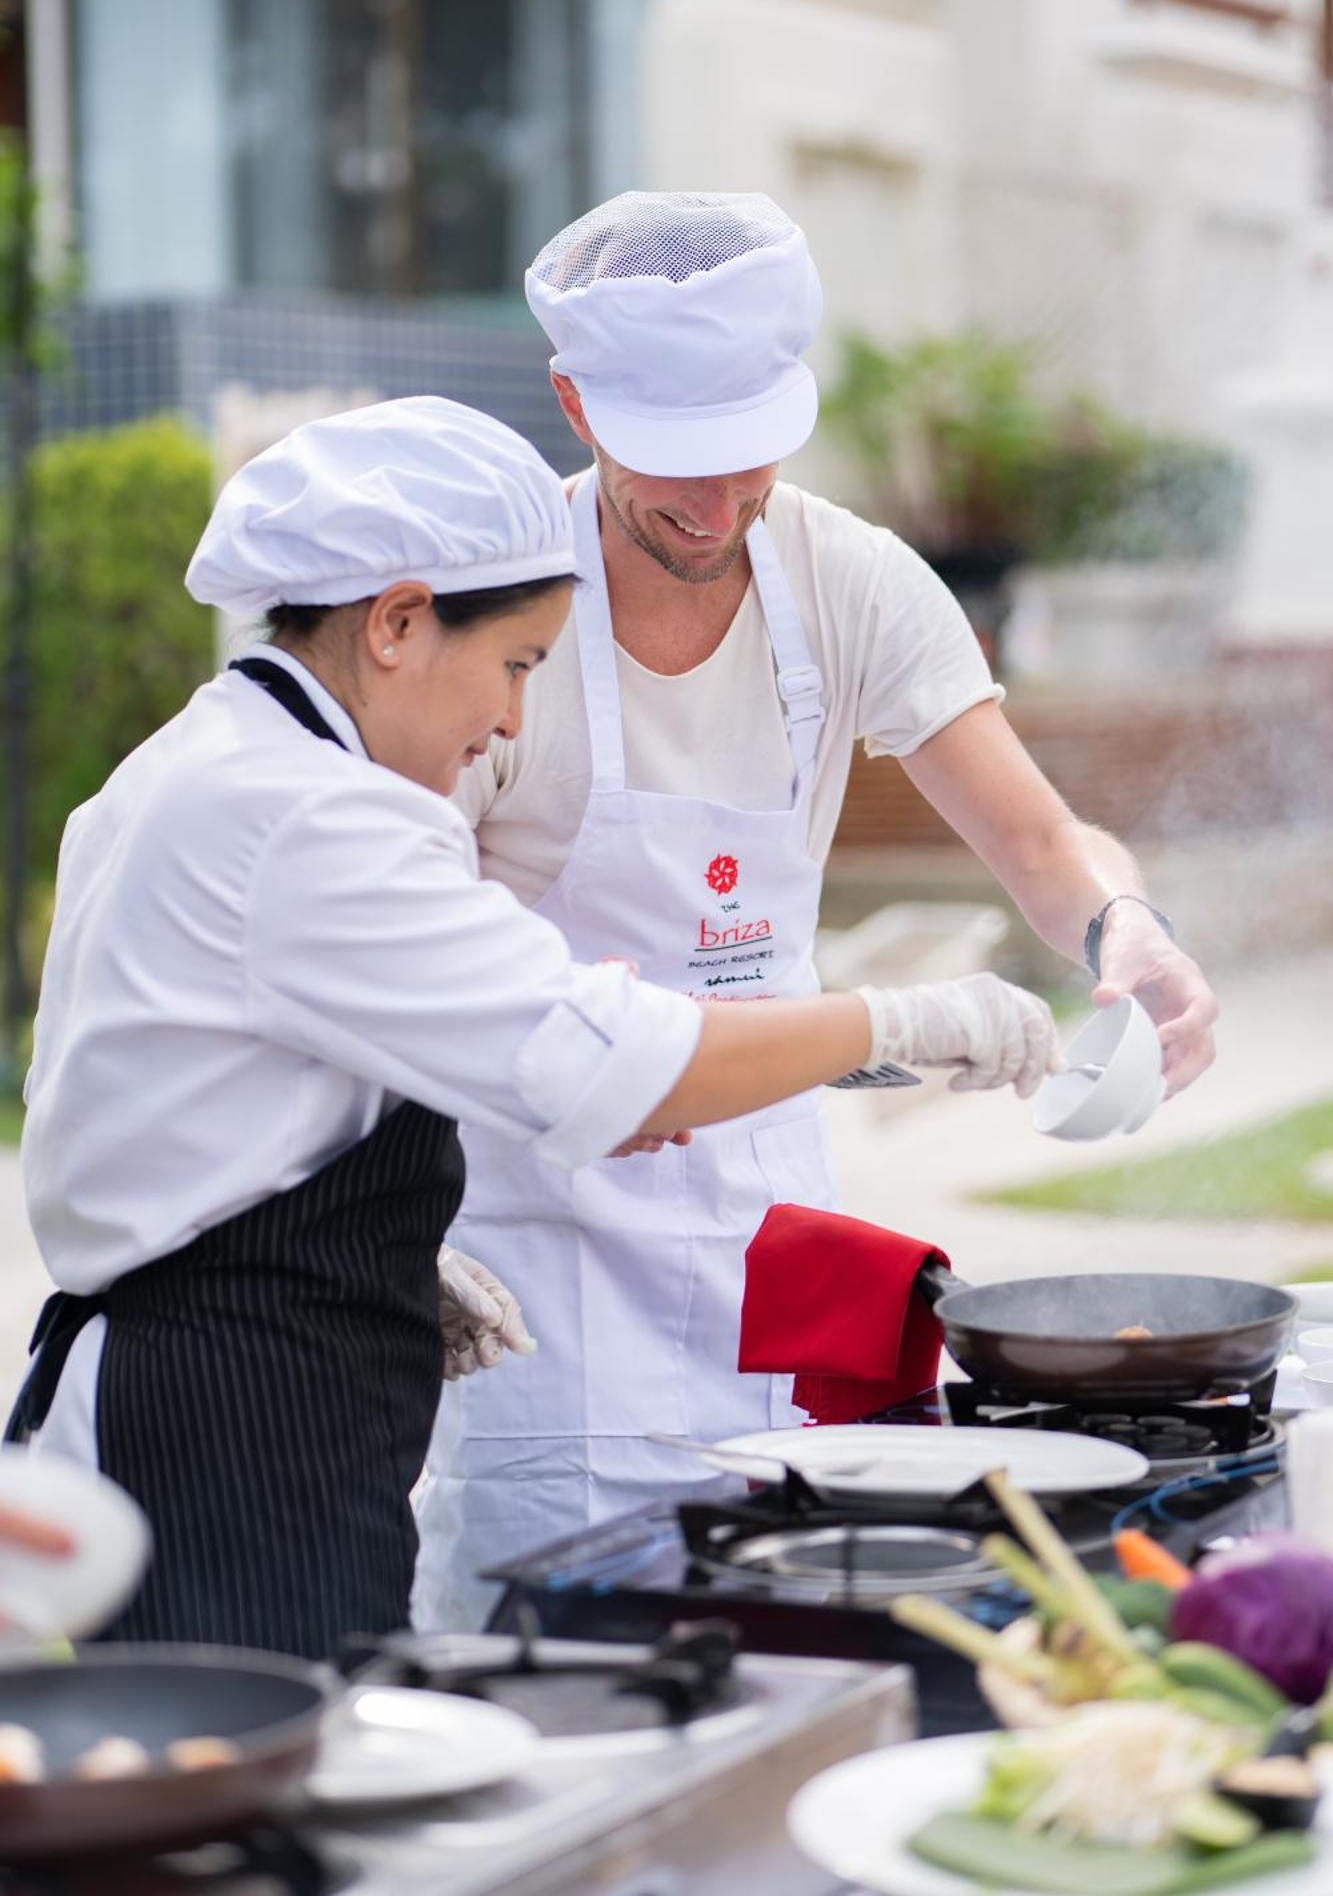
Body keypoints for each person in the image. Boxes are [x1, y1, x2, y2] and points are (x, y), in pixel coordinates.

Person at [8, 394, 1058, 1659]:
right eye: (513, 665)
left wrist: (371, 1252)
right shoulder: (322, 816)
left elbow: (191, 1098)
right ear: (397, 622)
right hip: (228, 1424)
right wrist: (905, 1015)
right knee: (270, 1808)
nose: (510, 720)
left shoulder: (195, 761)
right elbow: (630, 1065)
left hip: (212, 1378)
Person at [413, 192, 1220, 1628]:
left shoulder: (842, 575)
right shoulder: (502, 612)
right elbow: (416, 936)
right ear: (574, 403)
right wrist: (584, 1047)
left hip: (764, 1222)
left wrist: (1120, 930)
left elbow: (1038, 835)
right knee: (548, 1644)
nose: (717, 513)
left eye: (747, 463)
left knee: (791, 1612)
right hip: (538, 1232)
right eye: (674, 473)